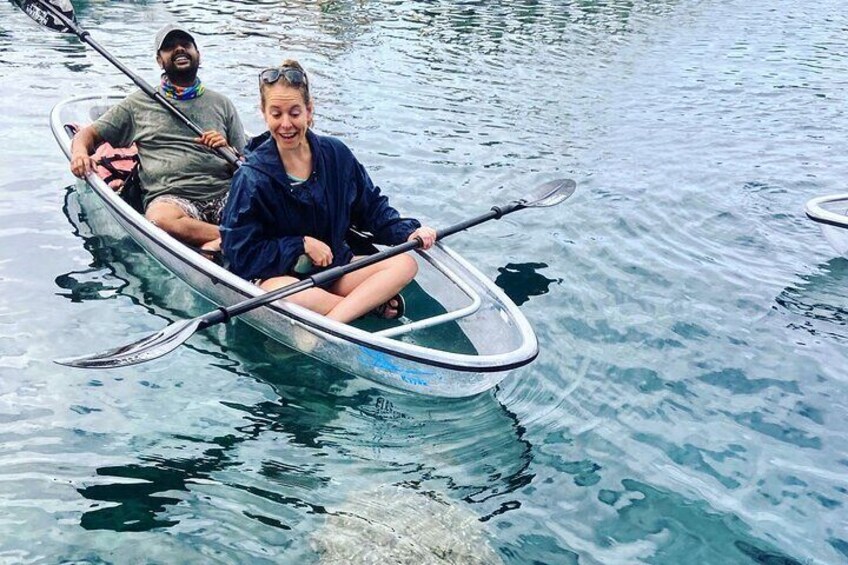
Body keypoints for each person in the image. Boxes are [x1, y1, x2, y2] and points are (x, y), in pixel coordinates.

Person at [220, 60, 437, 323]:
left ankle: (334, 320)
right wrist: (299, 244)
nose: (286, 124)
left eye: (295, 113)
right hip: (280, 279)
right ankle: (364, 308)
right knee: (286, 295)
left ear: (309, 111)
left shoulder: (337, 154)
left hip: (333, 270)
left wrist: (409, 231)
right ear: (264, 114)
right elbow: (239, 254)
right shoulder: (251, 176)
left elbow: (372, 208)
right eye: (276, 114)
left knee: (405, 264)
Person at [69, 24, 246, 253]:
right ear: (159, 61)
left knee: (269, 206)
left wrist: (228, 149)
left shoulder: (222, 103)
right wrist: (80, 153)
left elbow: (247, 161)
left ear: (198, 54)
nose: (179, 49)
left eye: (186, 44)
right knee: (159, 218)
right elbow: (88, 134)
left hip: (223, 193)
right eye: (169, 47)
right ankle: (235, 238)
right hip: (173, 200)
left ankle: (220, 242)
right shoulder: (138, 104)